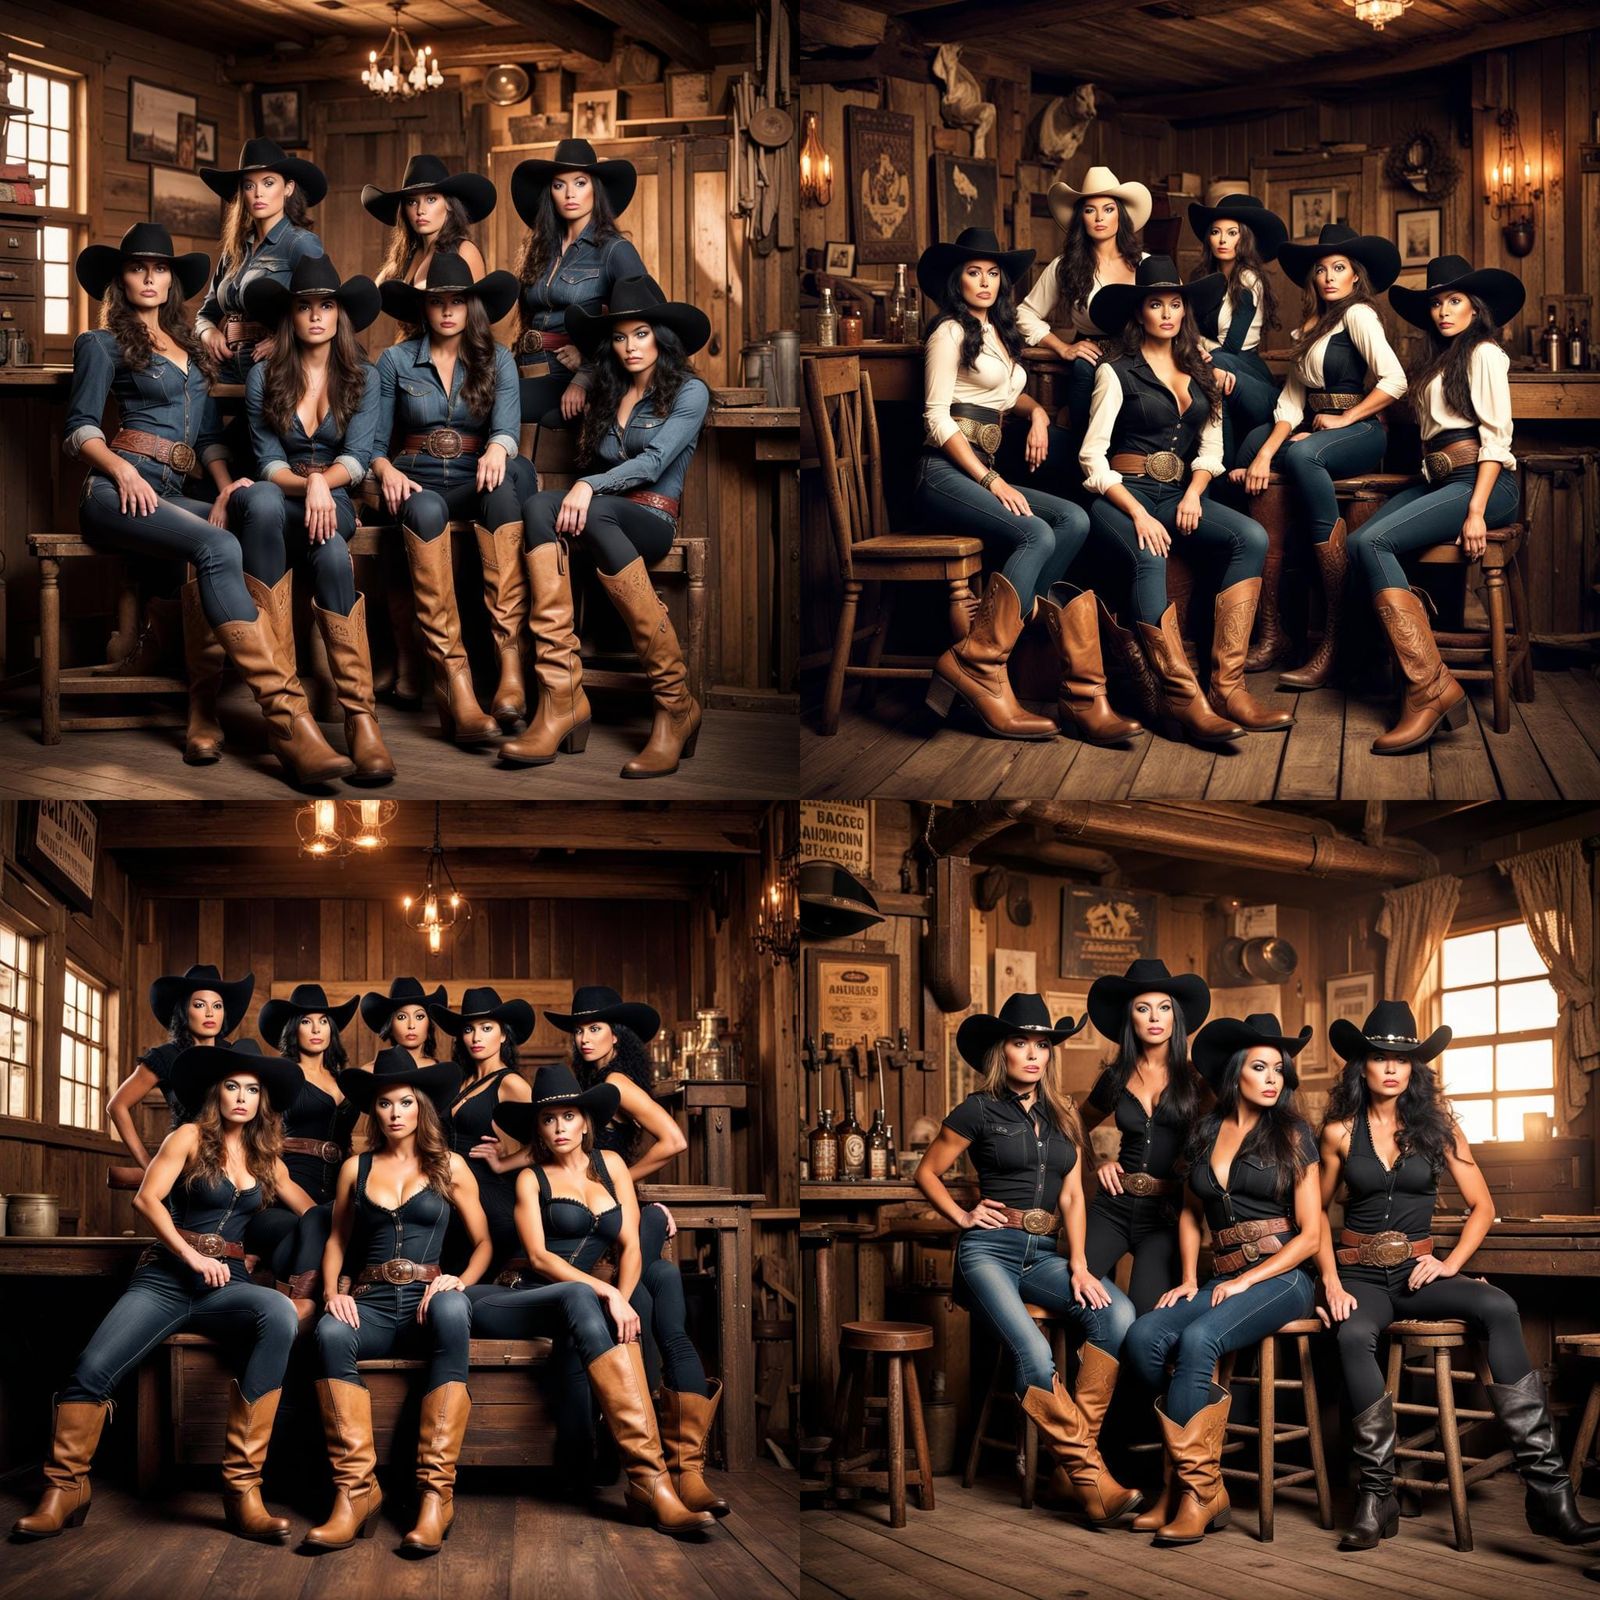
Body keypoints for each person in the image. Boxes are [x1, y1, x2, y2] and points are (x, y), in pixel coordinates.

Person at [66, 224, 352, 785]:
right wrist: (122, 469)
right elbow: (79, 429)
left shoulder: (191, 353)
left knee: (240, 523)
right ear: (119, 280)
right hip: (114, 490)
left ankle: (206, 707)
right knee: (218, 544)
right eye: (137, 268)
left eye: (161, 268)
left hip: (174, 492)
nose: (150, 277)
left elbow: (202, 442)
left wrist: (223, 484)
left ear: (173, 280)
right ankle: (288, 718)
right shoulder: (100, 344)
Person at [1316, 1000, 1600, 1552]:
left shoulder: (1437, 1131)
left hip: (1419, 1275)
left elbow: (1483, 1207)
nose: (1392, 1068)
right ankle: (1378, 1496)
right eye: (1379, 1057)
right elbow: (1315, 1219)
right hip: (1361, 1279)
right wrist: (1329, 1282)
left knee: (1499, 1306)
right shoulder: (1337, 1135)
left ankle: (1548, 1494)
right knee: (1353, 1333)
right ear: (1363, 1066)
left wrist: (1449, 1265)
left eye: (1403, 1058)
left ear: (1416, 1068)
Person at [13, 1045, 307, 1542]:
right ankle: (63, 1488)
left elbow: (315, 1213)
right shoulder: (188, 1136)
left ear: (263, 1101)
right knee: (91, 1368)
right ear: (217, 1093)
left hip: (226, 1288)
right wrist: (193, 1257)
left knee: (278, 1311)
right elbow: (147, 1198)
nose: (242, 1097)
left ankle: (242, 1491)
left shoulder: (267, 1158)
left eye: (253, 1090)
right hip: (166, 1278)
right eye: (233, 1086)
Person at [914, 992, 1140, 1524]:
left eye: (1042, 1045)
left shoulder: (1063, 1115)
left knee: (1119, 1314)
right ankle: (1091, 1479)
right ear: (1003, 1052)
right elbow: (926, 1172)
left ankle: (1066, 1472)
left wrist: (1081, 1263)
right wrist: (964, 1217)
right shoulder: (976, 1109)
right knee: (1036, 1355)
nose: (1033, 1054)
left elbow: (1072, 1197)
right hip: (988, 1254)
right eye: (1021, 1043)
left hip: (1044, 1255)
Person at [467, 1065, 718, 1533]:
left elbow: (629, 1246)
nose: (559, 1128)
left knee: (627, 1294)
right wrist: (608, 1293)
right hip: (519, 1294)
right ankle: (652, 1478)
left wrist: (621, 1298)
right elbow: (540, 1258)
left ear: (586, 1121)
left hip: (580, 1302)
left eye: (568, 1116)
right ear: (537, 1129)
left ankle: (651, 1475)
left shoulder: (613, 1166)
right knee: (582, 1296)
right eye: (548, 1120)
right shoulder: (530, 1179)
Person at [913, 228, 1124, 745]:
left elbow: (1009, 399)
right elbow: (936, 420)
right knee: (1037, 534)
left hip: (983, 466)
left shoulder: (1000, 334)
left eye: (992, 273)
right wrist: (990, 477)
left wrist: (1038, 419)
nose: (984, 282)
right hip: (943, 474)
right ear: (955, 279)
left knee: (1073, 519)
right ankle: (984, 667)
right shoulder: (949, 333)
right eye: (972, 272)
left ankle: (989, 643)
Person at [1122, 1012, 1320, 1545]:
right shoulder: (1206, 1130)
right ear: (1237, 1074)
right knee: (1142, 1336)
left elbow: (1311, 1236)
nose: (1273, 1078)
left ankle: (1191, 1494)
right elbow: (1190, 1212)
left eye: (1279, 1068)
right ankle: (1196, 1485)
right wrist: (1190, 1277)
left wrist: (1251, 1280)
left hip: (1284, 1278)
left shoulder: (1295, 1134)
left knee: (1198, 1339)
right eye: (1261, 1067)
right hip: (1222, 1278)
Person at [502, 276, 711, 776]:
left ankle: (675, 705)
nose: (629, 346)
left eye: (640, 334)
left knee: (586, 508)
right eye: (619, 337)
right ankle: (560, 698)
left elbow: (656, 461)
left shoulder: (689, 391)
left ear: (662, 335)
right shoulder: (606, 388)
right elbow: (540, 407)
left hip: (653, 517)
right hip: (600, 517)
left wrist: (590, 485)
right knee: (535, 509)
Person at [1082, 257, 1291, 743]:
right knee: (1151, 554)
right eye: (1156, 304)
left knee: (1251, 537)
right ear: (1140, 313)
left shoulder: (1202, 371)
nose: (1167, 313)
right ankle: (1181, 697)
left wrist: (1194, 494)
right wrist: (1136, 513)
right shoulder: (1116, 373)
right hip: (1120, 498)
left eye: (1175, 304)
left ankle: (1227, 688)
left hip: (1177, 493)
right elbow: (1092, 458)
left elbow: (1212, 451)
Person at [1336, 257, 1525, 754]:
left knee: (1373, 541)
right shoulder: (1438, 360)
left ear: (1474, 308)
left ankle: (1428, 688)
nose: (1443, 310)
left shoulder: (1484, 353)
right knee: (1360, 541)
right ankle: (1427, 679)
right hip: (1442, 480)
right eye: (1437, 302)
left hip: (1484, 482)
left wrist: (1478, 509)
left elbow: (1495, 441)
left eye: (1454, 301)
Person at [305, 1049, 483, 1556]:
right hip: (373, 1303)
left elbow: (485, 1242)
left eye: (405, 1102)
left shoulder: (451, 1166)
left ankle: (435, 1496)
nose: (395, 1112)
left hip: (429, 1303)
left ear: (420, 1107)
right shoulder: (355, 1168)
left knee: (452, 1311)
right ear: (374, 1112)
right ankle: (355, 1493)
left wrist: (459, 1281)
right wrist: (332, 1293)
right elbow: (337, 1239)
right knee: (330, 1333)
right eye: (384, 1104)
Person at [235, 256, 394, 781]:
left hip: (337, 499)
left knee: (329, 552)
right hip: (281, 498)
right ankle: (289, 712)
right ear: (291, 316)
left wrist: (325, 483)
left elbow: (356, 457)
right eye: (305, 307)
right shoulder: (264, 375)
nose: (316, 316)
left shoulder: (362, 377)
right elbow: (267, 463)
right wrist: (311, 484)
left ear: (340, 315)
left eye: (327, 306)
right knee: (258, 499)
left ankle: (360, 719)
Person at [1233, 224, 1406, 694]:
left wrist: (1347, 420)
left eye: (1339, 269)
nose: (1329, 277)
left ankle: (1336, 635)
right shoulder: (1310, 328)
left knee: (1306, 454)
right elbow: (1290, 404)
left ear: (1355, 277)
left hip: (1362, 433)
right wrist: (1264, 454)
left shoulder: (1360, 317)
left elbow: (1394, 381)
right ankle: (1272, 630)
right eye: (1322, 269)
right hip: (1315, 430)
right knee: (1251, 443)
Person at [372, 253, 536, 742]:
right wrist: (384, 470)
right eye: (437, 302)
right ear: (423, 309)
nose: (447, 311)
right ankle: (455, 686)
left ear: (471, 306)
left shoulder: (497, 357)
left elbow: (507, 429)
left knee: (506, 486)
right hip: (417, 481)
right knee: (423, 508)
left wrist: (498, 449)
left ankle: (511, 669)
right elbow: (374, 447)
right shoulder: (395, 361)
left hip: (474, 477)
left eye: (457, 301)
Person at [510, 139, 646, 427]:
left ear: (595, 189)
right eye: (559, 185)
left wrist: (587, 371)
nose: (570, 193)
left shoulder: (614, 250)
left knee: (490, 404)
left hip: (567, 375)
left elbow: (644, 321)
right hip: (526, 367)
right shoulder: (539, 249)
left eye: (580, 183)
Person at [1015, 165, 1150, 446]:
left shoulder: (1146, 263)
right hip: (1091, 356)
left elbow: (1178, 310)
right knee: (1083, 371)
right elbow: (1025, 314)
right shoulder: (1065, 265)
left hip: (1143, 351)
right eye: (1090, 210)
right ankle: (1080, 459)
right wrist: (1062, 346)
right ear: (1081, 218)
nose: (1099, 217)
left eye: (1108, 209)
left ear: (1120, 215)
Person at [248, 982, 362, 1313]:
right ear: (292, 1029)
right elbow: (262, 1150)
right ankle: (300, 1308)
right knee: (309, 1227)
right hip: (282, 1197)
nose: (316, 1029)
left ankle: (295, 1307)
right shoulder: (280, 1076)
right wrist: (313, 1212)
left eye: (323, 1021)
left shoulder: (344, 1079)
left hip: (338, 1192)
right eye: (306, 1021)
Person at [194, 139, 327, 388]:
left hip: (277, 362)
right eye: (249, 185)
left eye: (268, 183)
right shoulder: (233, 250)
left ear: (288, 188)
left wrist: (285, 340)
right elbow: (205, 314)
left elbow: (329, 308)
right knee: (184, 382)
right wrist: (208, 332)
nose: (258, 194)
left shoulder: (301, 243)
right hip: (225, 365)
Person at [430, 986, 535, 1271]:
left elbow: (551, 1141)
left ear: (503, 1035)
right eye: (468, 1029)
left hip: (488, 1197)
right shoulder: (459, 1082)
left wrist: (504, 1163)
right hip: (449, 1193)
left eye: (486, 1028)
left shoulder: (511, 1083)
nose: (476, 1037)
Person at [107, 962, 254, 1152]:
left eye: (217, 1006)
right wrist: (148, 1165)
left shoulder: (235, 1053)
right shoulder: (165, 1057)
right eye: (200, 1005)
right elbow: (116, 1106)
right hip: (186, 1158)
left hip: (234, 1159)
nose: (210, 1013)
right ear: (185, 1011)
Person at [1185, 194, 1286, 471]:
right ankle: (1219, 473)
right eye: (1216, 232)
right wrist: (1196, 346)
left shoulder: (1248, 279)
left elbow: (1230, 346)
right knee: (1212, 381)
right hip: (1217, 367)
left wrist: (1197, 346)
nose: (1222, 240)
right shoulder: (1203, 278)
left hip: (1247, 371)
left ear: (1245, 239)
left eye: (1231, 233)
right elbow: (1187, 329)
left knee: (1217, 364)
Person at [366, 154, 495, 295]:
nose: (420, 210)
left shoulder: (464, 251)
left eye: (431, 199)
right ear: (404, 210)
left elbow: (478, 311)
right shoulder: (407, 255)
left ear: (449, 205)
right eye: (412, 202)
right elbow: (375, 295)